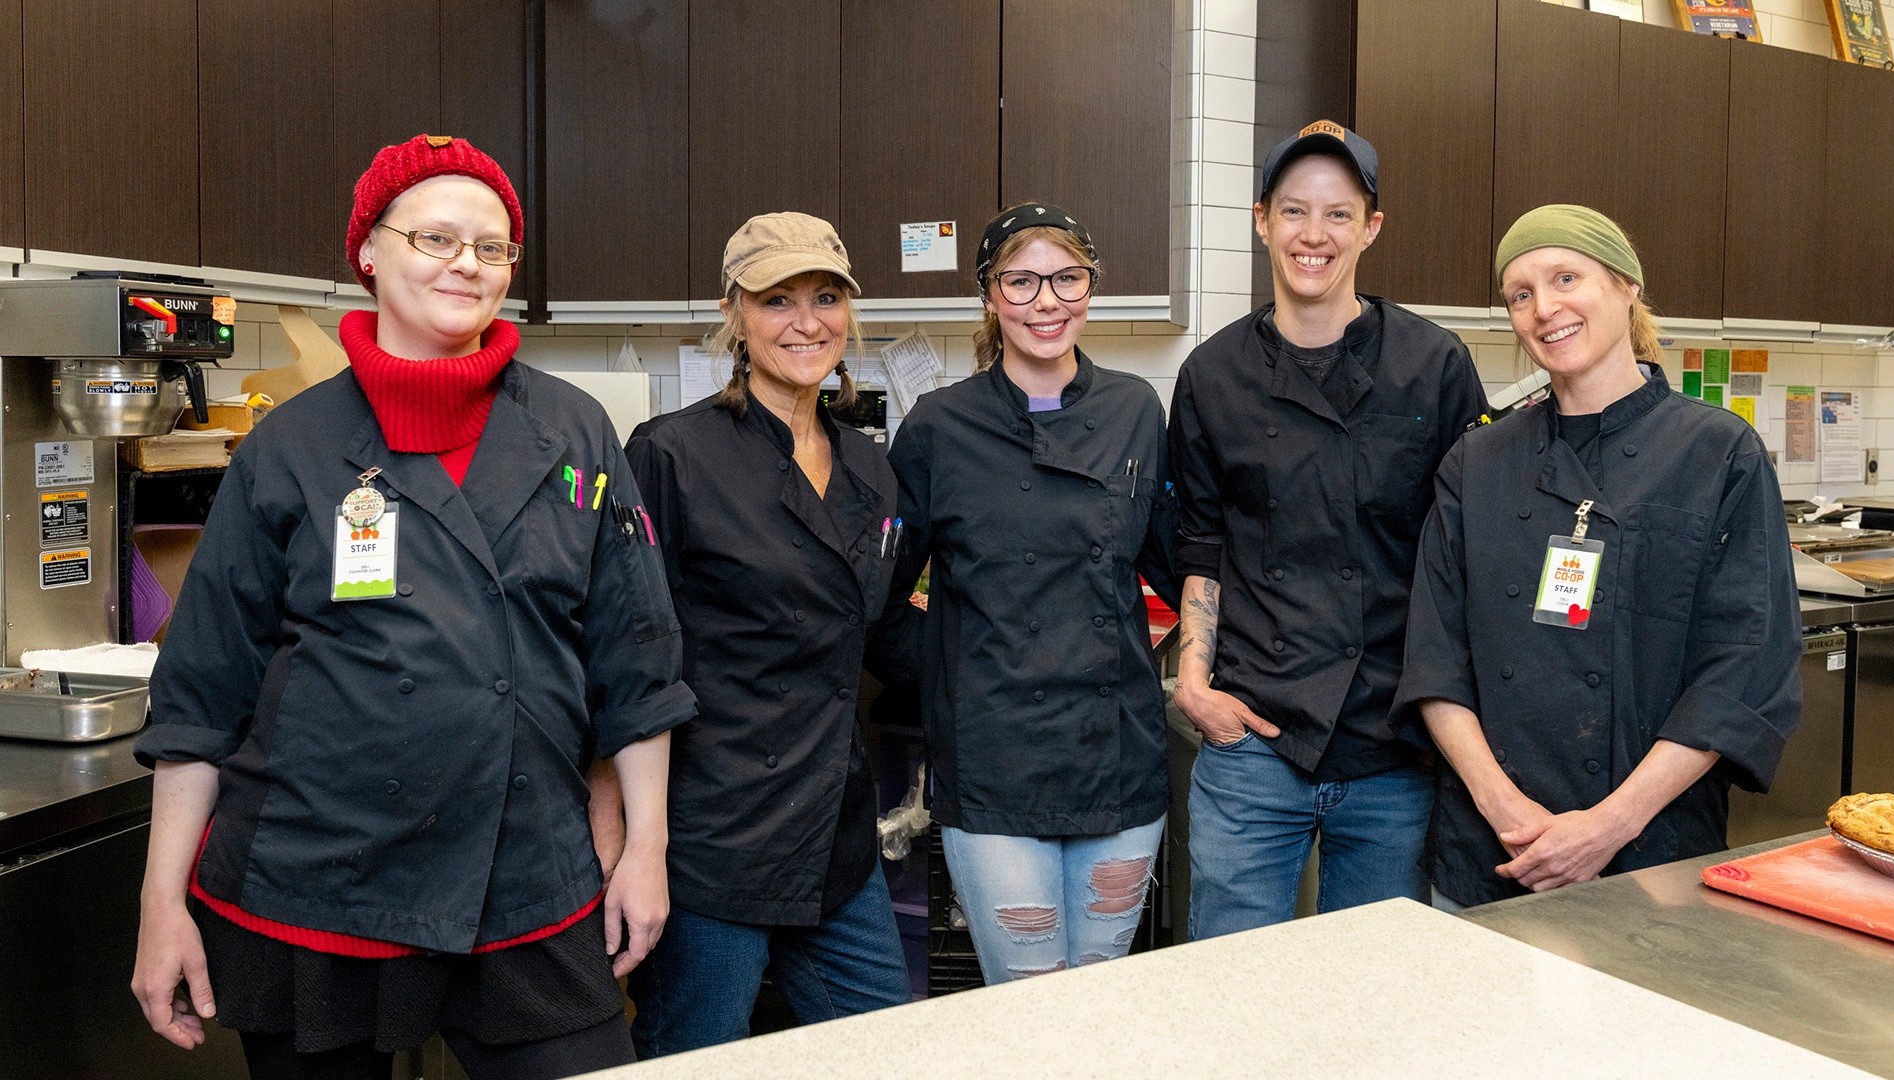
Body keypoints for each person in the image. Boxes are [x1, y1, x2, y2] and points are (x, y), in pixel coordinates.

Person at [128, 134, 694, 1080]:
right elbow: (200, 693)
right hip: (317, 878)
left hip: (526, 873)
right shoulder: (289, 448)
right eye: (435, 237)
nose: (467, 263)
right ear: (369, 250)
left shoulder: (575, 432)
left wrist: (647, 848)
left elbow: (636, 660)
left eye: (492, 246)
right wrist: (159, 900)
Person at [1393, 204, 1801, 907]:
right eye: (1520, 294)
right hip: (1491, 853)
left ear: (1626, 286)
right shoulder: (1478, 460)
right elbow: (1435, 656)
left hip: (1651, 856)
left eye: (1565, 277)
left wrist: (1608, 825)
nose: (1544, 308)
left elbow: (1741, 667)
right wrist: (1506, 813)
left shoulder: (1718, 453)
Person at [1168, 121, 1489, 937]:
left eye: (1339, 215)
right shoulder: (1212, 374)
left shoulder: (1435, 364)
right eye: (1294, 212)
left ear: (1371, 228)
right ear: (1261, 220)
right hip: (1253, 738)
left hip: (1395, 747)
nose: (1315, 235)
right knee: (1232, 986)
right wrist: (1196, 686)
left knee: (1373, 1000)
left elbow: (1464, 556)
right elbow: (1203, 544)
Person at [622, 212, 912, 1057]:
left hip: (833, 833)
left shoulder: (870, 468)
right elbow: (629, 655)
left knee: (884, 1054)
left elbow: (886, 633)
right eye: (776, 300)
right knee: (697, 1057)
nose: (806, 321)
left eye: (825, 297)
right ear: (734, 315)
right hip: (713, 838)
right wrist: (630, 843)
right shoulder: (671, 456)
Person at [887, 203, 1179, 983]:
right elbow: (879, 600)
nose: (1046, 301)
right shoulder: (938, 428)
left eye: (1066, 278)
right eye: (1021, 280)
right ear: (989, 294)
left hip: (1117, 757)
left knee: (1101, 990)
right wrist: (964, 678)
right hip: (993, 766)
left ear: (1091, 286)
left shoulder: (1135, 411)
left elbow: (1180, 565)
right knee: (1029, 1000)